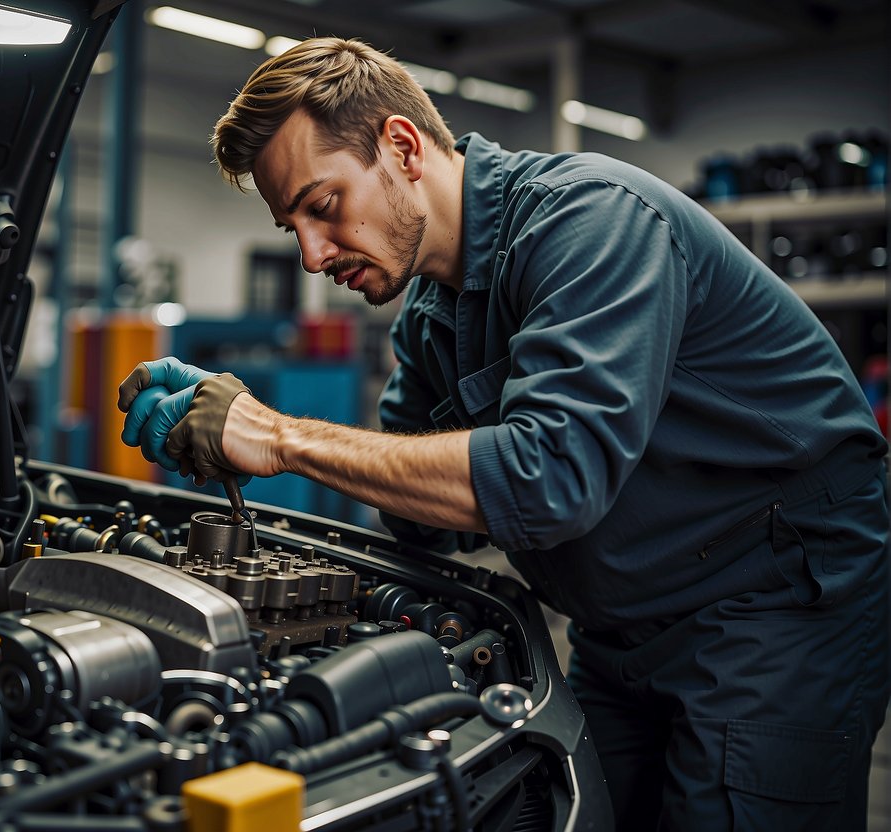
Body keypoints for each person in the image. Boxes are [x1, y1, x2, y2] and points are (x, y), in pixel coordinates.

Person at [117, 37, 890, 830]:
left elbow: (547, 481)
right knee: (568, 809)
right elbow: (417, 515)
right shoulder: (430, 319)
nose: (312, 256)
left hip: (775, 607)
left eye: (322, 207)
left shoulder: (592, 221)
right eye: (293, 229)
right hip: (617, 625)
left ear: (402, 147)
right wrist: (239, 438)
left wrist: (279, 437)